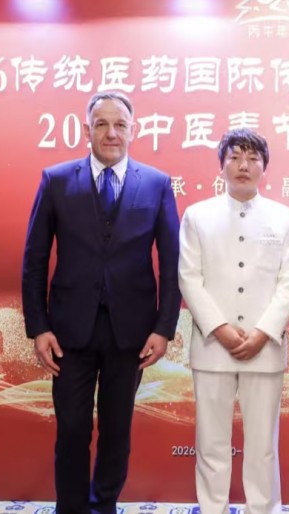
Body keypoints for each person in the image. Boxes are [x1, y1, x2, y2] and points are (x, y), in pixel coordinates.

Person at [21, 91, 181, 514]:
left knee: (116, 432)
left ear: (133, 130)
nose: (111, 133)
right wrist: (39, 327)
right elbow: (35, 259)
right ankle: (72, 508)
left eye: (120, 125)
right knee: (72, 429)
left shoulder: (156, 183)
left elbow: (171, 263)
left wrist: (164, 328)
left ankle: (103, 505)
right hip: (68, 332)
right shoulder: (56, 180)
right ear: (86, 129)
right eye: (102, 124)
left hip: (131, 334)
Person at [178, 128, 289, 514]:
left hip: (265, 348)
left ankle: (262, 509)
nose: (243, 166)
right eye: (234, 157)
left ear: (265, 167)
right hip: (212, 347)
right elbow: (189, 277)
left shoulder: (285, 218)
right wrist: (221, 329)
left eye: (252, 158)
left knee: (262, 445)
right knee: (211, 442)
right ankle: (212, 508)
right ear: (221, 166)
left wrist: (263, 332)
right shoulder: (197, 215)